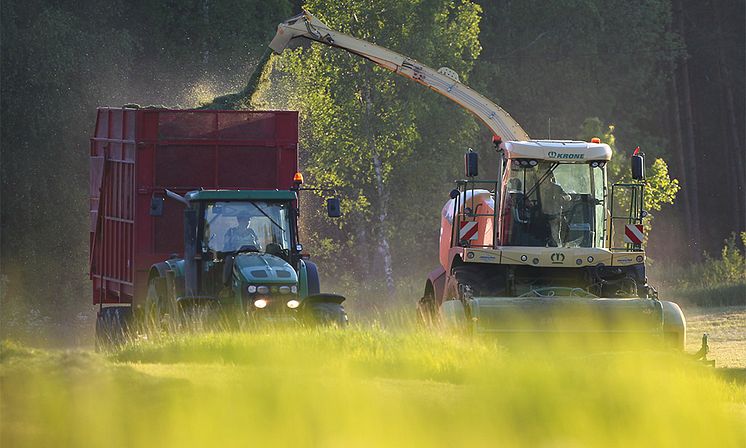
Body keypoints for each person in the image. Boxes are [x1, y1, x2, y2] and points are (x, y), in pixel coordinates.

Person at [538, 172, 572, 246]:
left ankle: (557, 249)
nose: (545, 179)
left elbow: (568, 197)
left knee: (555, 235)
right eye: (542, 177)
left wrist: (563, 198)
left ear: (550, 177)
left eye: (546, 177)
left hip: (554, 215)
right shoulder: (537, 188)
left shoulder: (557, 188)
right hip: (541, 215)